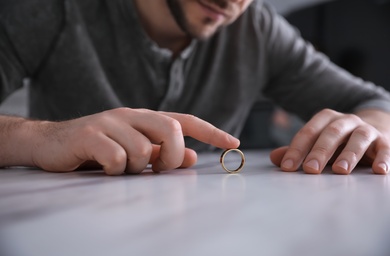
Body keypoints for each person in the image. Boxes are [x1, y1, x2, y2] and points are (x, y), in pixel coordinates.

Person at [0, 0, 389, 176]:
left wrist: (363, 129)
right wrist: (42, 138)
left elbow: (376, 102)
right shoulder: (54, 8)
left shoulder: (257, 28)